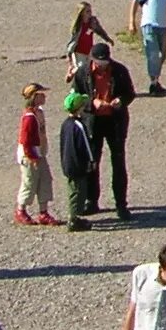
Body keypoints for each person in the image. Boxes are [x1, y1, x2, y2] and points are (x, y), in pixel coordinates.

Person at [87, 42, 138, 218]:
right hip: (94, 121)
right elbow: (76, 96)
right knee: (92, 161)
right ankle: (91, 201)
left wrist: (120, 101)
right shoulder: (83, 73)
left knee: (118, 162)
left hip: (115, 121)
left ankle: (121, 204)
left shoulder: (119, 70)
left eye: (105, 62)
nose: (102, 66)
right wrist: (91, 103)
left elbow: (130, 93)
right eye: (99, 63)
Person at [14, 82, 59, 227]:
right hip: (30, 156)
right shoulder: (29, 117)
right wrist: (31, 156)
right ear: (34, 97)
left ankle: (43, 212)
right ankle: (21, 210)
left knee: (45, 180)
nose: (44, 96)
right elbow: (25, 140)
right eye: (41, 94)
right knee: (29, 182)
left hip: (40, 153)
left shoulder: (38, 113)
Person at [58, 91, 96, 232]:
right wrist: (92, 160)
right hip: (78, 165)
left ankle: (74, 216)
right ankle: (73, 218)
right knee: (78, 191)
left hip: (68, 163)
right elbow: (86, 144)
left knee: (73, 189)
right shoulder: (79, 125)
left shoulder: (65, 124)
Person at [67, 1, 116, 96]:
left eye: (90, 11)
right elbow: (72, 41)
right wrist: (69, 53)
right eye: (87, 11)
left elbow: (99, 30)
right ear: (81, 13)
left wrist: (108, 39)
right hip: (78, 52)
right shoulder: (78, 25)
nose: (90, 13)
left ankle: (88, 88)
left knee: (89, 69)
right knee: (79, 69)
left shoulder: (92, 22)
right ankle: (74, 87)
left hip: (89, 51)